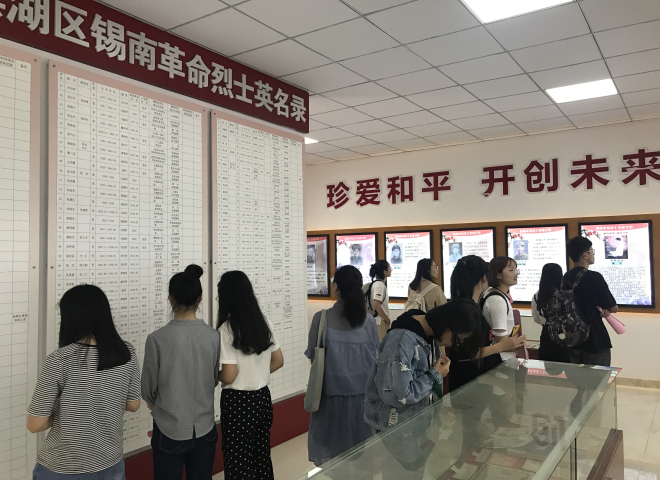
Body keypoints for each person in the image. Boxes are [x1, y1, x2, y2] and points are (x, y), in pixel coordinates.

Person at [27, 284, 141, 480]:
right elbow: (133, 405)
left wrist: (66, 414)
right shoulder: (126, 352)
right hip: (110, 463)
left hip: (63, 467)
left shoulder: (59, 360)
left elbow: (35, 424)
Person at [142, 265, 221, 480]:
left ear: (170, 299)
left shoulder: (156, 339)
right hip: (205, 425)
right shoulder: (214, 336)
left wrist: (155, 402)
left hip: (169, 426)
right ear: (200, 298)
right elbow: (214, 378)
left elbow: (148, 389)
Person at [306, 266, 379, 467]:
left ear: (335, 286)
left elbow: (314, 358)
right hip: (362, 400)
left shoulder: (321, 319)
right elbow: (375, 357)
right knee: (362, 460)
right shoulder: (370, 322)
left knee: (334, 461)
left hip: (330, 400)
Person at [217, 270, 284, 480]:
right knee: (261, 455)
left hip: (238, 403)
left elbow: (229, 376)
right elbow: (278, 360)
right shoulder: (263, 322)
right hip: (262, 399)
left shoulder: (227, 329)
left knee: (239, 461)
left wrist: (216, 375)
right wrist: (257, 373)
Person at [445, 256, 526, 391]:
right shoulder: (467, 309)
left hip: (470, 375)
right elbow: (469, 352)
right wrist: (502, 345)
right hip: (468, 376)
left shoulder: (467, 304)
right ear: (484, 278)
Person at [564, 236, 618, 367]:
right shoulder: (594, 277)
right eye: (591, 250)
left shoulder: (566, 277)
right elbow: (613, 307)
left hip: (572, 338)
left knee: (577, 378)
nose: (593, 254)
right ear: (585, 255)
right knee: (598, 378)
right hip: (594, 338)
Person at [481, 256, 519, 362]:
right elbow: (500, 340)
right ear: (498, 274)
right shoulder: (497, 300)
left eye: (516, 270)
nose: (516, 274)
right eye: (511, 270)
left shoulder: (492, 293)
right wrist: (516, 342)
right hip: (500, 359)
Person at [532, 263, 570, 363]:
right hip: (565, 334)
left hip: (547, 334)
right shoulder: (565, 294)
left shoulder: (537, 295)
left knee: (549, 367)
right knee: (569, 367)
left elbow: (536, 318)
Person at [363, 259, 392, 339]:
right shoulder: (379, 285)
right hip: (380, 321)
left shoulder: (375, 284)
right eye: (389, 268)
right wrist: (387, 318)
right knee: (380, 344)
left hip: (375, 320)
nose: (391, 270)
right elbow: (376, 304)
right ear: (385, 271)